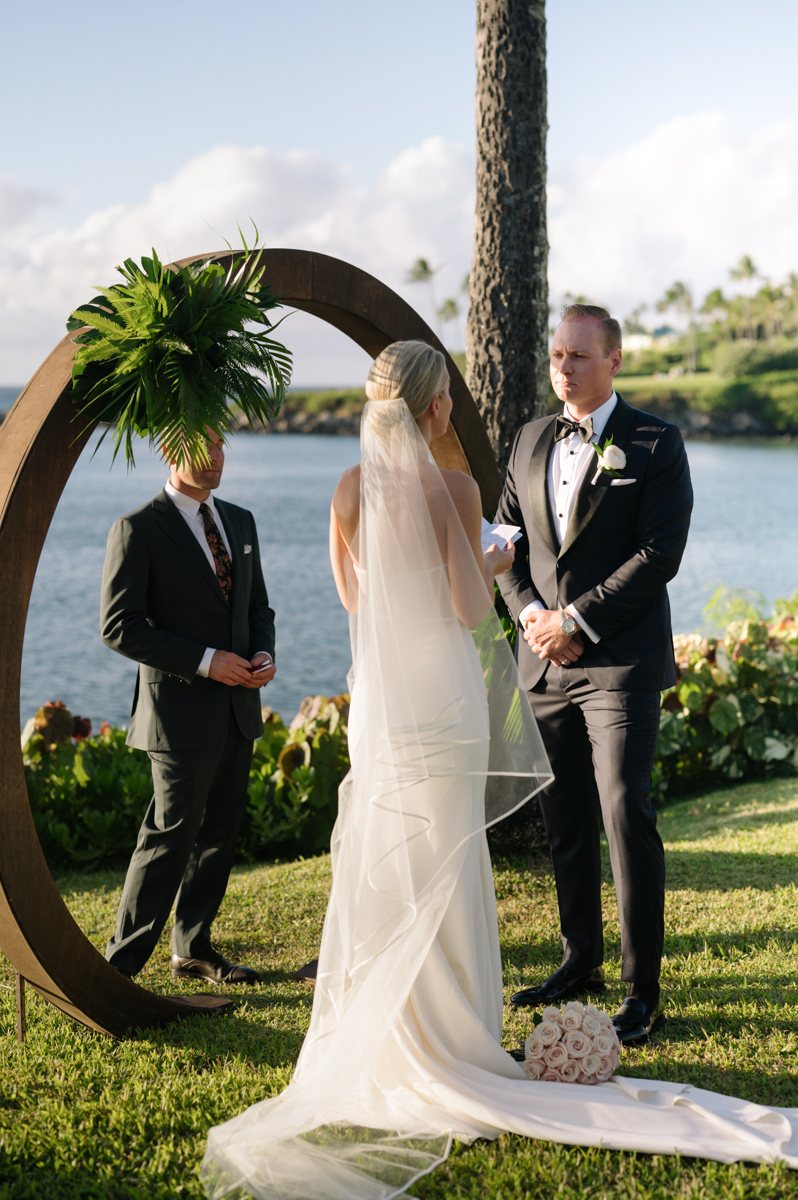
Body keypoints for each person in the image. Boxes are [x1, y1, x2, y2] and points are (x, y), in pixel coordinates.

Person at [201, 342, 798, 1200]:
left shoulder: (345, 491)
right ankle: (455, 1035)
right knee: (447, 855)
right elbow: (461, 603)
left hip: (381, 702)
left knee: (392, 852)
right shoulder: (453, 489)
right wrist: (491, 563)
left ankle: (390, 1037)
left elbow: (354, 600)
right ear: (436, 408)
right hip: (441, 699)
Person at [494, 303, 693, 1044]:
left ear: (614, 361)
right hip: (543, 662)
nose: (563, 368)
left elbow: (659, 553)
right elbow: (501, 542)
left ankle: (644, 990)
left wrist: (575, 620)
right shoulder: (527, 438)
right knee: (565, 822)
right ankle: (580, 959)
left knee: (624, 814)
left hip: (618, 664)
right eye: (556, 355)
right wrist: (531, 619)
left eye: (579, 356)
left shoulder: (654, 442)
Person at [101, 430, 276, 985]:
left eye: (221, 445)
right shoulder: (137, 529)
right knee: (168, 837)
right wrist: (205, 661)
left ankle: (192, 949)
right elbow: (118, 626)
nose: (216, 457)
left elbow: (257, 607)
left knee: (220, 833)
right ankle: (118, 969)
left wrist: (262, 653)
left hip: (238, 707)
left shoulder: (240, 522)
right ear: (168, 451)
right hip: (176, 714)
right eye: (202, 447)